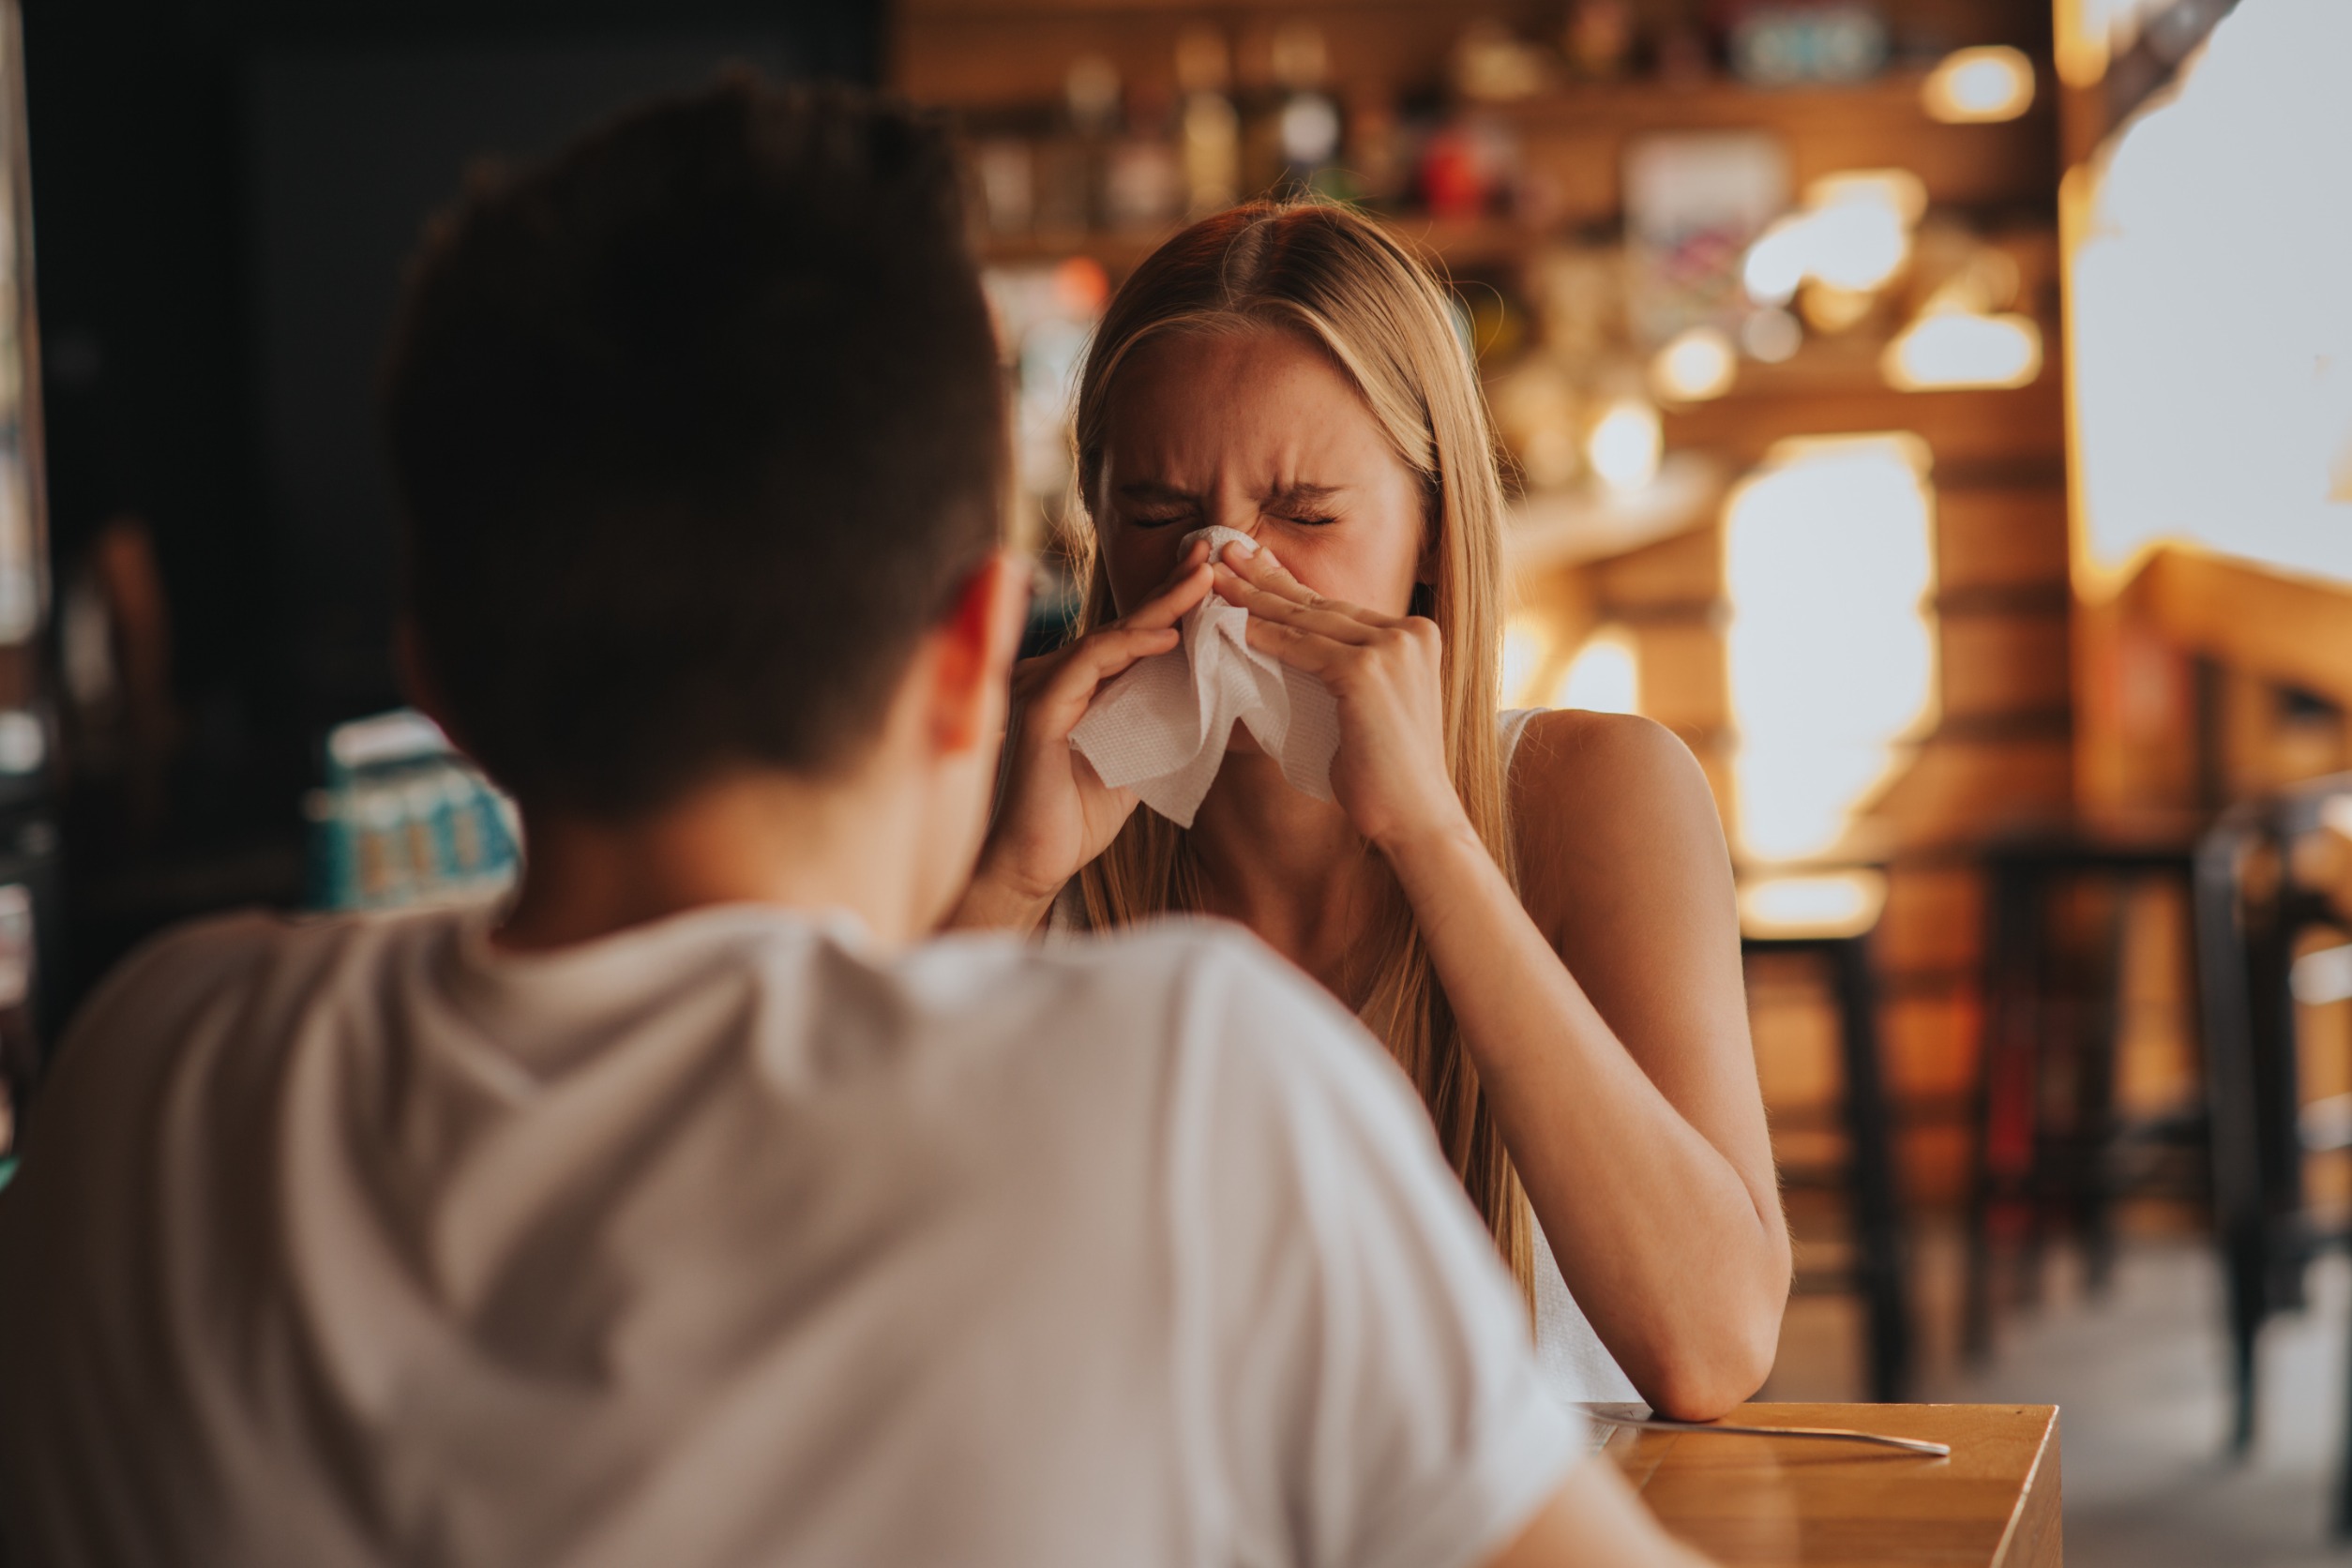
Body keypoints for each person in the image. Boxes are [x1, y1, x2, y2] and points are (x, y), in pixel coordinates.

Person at [0, 81, 1709, 1568]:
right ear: (981, 643)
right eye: (1161, 514)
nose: (1221, 586)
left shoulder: (146, 1077)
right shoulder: (1204, 1082)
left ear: (429, 679)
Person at [953, 203, 1791, 1419]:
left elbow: (1709, 1349)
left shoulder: (1594, 798)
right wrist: (1007, 887)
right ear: (1098, 529)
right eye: (1160, 514)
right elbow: (801, 1301)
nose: (1224, 579)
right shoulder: (1002, 805)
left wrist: (1435, 840)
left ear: (1433, 533)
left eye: (1305, 511)